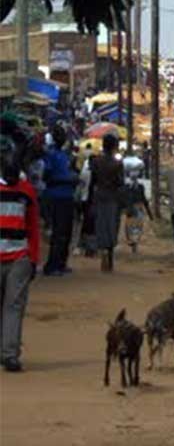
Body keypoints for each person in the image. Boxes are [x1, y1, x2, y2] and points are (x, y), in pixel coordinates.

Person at [0, 135, 40, 372]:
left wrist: (32, 258)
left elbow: (33, 227)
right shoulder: (26, 189)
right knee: (10, 307)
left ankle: (9, 354)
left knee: (13, 307)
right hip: (15, 257)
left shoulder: (27, 191)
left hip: (19, 258)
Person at [41, 125, 78, 276]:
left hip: (67, 196)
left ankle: (61, 263)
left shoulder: (64, 155)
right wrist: (66, 179)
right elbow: (47, 176)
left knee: (67, 232)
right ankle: (52, 265)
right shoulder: (51, 155)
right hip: (57, 196)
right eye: (60, 135)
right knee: (58, 232)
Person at [90, 133, 124, 272]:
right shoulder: (117, 163)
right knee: (112, 225)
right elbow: (120, 182)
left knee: (101, 224)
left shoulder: (96, 161)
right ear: (114, 146)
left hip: (99, 195)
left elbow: (93, 181)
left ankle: (103, 249)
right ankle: (109, 254)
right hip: (113, 196)